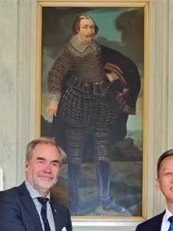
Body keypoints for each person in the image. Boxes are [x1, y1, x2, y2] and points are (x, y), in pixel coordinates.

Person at [47, 13, 140, 216]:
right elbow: (55, 75)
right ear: (77, 30)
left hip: (102, 107)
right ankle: (74, 202)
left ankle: (105, 200)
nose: (90, 31)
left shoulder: (97, 49)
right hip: (77, 106)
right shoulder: (71, 52)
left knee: (103, 154)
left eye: (92, 27)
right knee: (75, 155)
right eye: (85, 27)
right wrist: (54, 101)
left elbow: (105, 72)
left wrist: (112, 77)